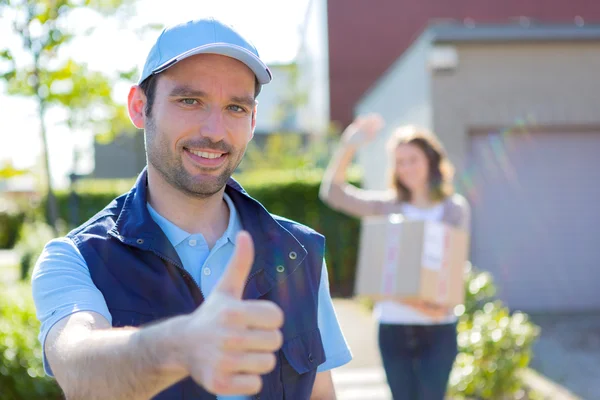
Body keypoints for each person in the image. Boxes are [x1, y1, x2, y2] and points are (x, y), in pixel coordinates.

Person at [31, 18, 352, 400]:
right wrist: (183, 346)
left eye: (235, 107)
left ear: (252, 121)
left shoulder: (300, 252)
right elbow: (82, 373)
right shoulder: (75, 258)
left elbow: (319, 393)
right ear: (139, 106)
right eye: (190, 101)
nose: (215, 130)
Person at [319, 114, 470, 400]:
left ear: (430, 161)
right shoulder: (386, 206)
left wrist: (425, 304)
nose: (406, 168)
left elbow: (453, 273)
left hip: (438, 330)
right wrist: (349, 145)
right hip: (393, 328)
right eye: (399, 162)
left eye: (412, 159)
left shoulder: (454, 209)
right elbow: (332, 193)